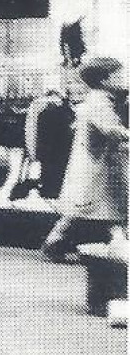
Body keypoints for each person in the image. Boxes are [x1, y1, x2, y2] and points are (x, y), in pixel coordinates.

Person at [40, 56, 127, 262]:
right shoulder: (99, 101)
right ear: (105, 80)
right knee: (106, 210)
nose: (123, 78)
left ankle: (54, 243)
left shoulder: (100, 99)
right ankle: (118, 252)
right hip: (97, 166)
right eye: (118, 74)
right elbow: (111, 130)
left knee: (88, 209)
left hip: (95, 164)